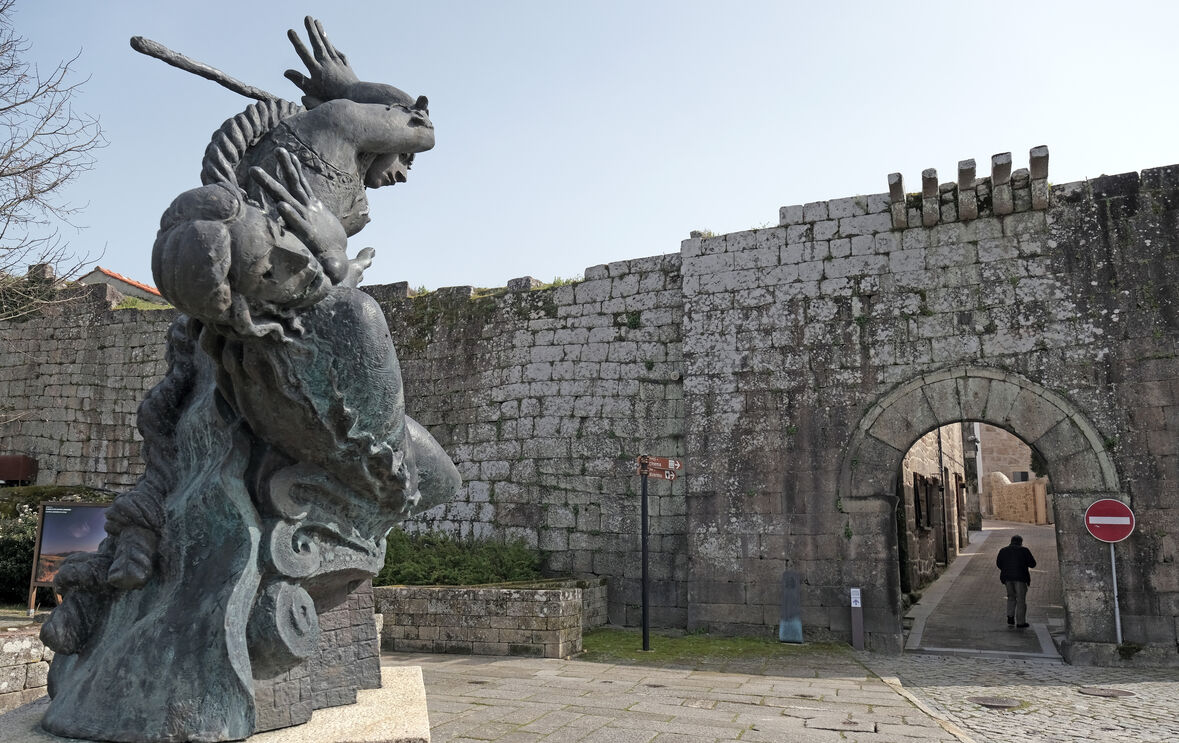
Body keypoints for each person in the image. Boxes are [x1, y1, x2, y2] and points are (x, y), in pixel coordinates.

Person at [996, 534, 1037, 628]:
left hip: (1007, 578)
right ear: (1021, 542)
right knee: (1021, 600)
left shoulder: (1003, 550)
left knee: (1010, 597)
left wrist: (1006, 569)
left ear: (1011, 541)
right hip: (1021, 578)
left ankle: (1010, 617)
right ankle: (1020, 622)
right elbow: (1033, 564)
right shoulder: (1024, 551)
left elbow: (999, 564)